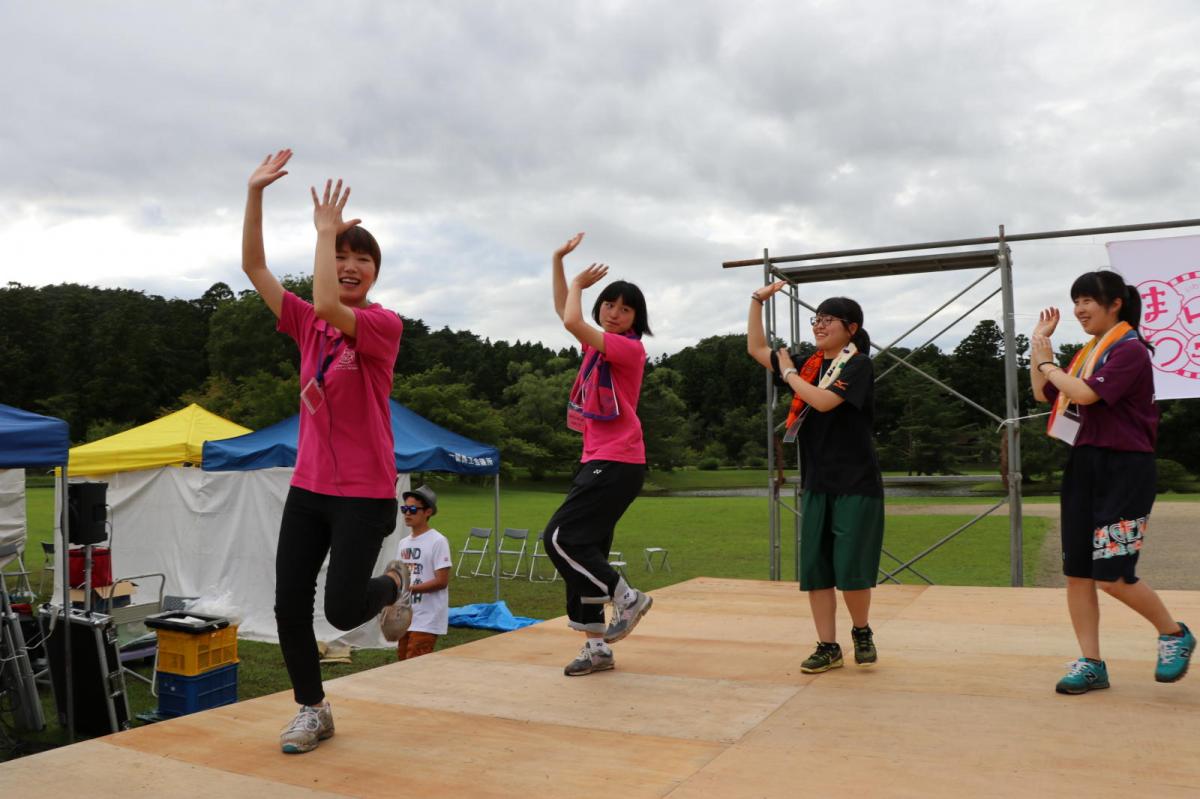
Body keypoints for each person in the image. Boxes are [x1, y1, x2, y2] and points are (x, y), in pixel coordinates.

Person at [242, 149, 413, 753]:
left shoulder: (383, 325)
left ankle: (394, 582)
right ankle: (313, 709)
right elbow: (255, 265)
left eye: (359, 259)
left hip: (365, 494)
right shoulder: (304, 325)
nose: (348, 265)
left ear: (375, 273)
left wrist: (323, 231)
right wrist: (255, 193)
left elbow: (328, 305)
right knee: (290, 604)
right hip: (308, 488)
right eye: (339, 256)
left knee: (342, 612)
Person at [1031, 269, 1194, 694]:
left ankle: (1174, 633)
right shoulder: (1087, 354)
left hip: (1125, 469)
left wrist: (1048, 362)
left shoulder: (1130, 350)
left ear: (1115, 303)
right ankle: (1091, 663)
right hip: (1085, 464)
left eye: (1087, 300)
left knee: (1113, 575)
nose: (1079, 310)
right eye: (1076, 301)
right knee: (1079, 575)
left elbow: (1084, 395)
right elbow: (1041, 392)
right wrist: (1038, 347)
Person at [747, 281, 884, 673]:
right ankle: (828, 645)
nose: (820, 325)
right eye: (817, 319)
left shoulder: (858, 364)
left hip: (856, 482)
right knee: (817, 568)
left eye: (829, 320)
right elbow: (756, 349)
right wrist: (756, 302)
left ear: (851, 329)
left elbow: (823, 401)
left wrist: (788, 373)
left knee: (852, 568)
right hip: (817, 482)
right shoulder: (808, 364)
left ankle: (861, 630)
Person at [543, 232, 653, 677]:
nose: (615, 312)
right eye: (609, 304)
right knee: (585, 551)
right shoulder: (596, 345)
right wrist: (558, 262)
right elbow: (563, 313)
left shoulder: (628, 348)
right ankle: (597, 648)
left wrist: (578, 288)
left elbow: (571, 319)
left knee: (560, 539)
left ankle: (626, 596)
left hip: (618, 461)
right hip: (599, 460)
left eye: (625, 308)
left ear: (634, 320)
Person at [393, 485, 452, 660]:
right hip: (406, 615)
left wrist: (410, 589)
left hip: (427, 618)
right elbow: (399, 575)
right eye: (404, 509)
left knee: (415, 664)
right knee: (402, 662)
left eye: (412, 509)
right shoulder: (403, 543)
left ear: (428, 512)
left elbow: (442, 581)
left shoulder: (438, 541)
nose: (407, 513)